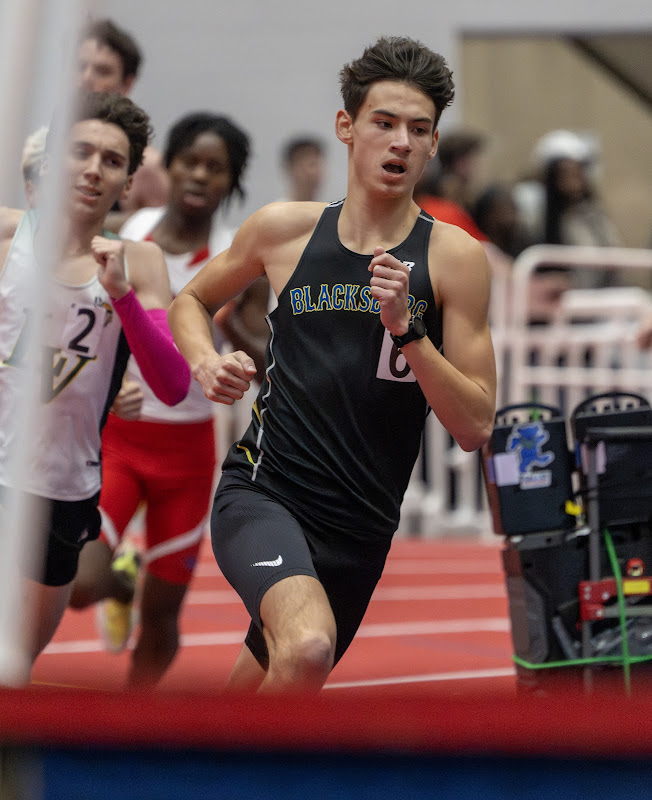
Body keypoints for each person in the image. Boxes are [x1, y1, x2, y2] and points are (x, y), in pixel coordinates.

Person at [168, 36, 496, 693]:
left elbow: (475, 426)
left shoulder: (455, 258)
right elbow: (191, 299)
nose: (400, 142)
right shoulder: (284, 230)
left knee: (273, 680)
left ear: (433, 146)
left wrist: (409, 333)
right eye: (384, 123)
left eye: (418, 129)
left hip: (361, 528)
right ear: (347, 128)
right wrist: (205, 362)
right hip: (266, 493)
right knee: (307, 644)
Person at [69, 111, 268, 687]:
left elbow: (264, 362)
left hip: (187, 453)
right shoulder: (131, 232)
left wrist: (226, 325)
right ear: (169, 166)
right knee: (82, 582)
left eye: (216, 168)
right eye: (191, 162)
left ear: (231, 183)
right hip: (120, 436)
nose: (200, 176)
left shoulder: (238, 258)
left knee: (161, 622)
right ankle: (121, 579)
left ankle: (135, 732)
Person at [0, 91, 190, 677]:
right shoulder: (8, 239)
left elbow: (173, 383)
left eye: (111, 160)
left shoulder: (139, 262)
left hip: (60, 490)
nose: (92, 169)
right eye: (80, 152)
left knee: (15, 665)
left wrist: (123, 298)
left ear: (128, 183)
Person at [77, 18, 169, 218]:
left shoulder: (147, 167)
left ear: (127, 84)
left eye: (102, 71)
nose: (86, 78)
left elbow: (166, 235)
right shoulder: (37, 144)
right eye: (79, 67)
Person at [280, 137, 326, 202]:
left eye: (318, 164)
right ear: (291, 168)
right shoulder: (278, 211)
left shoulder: (329, 210)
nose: (315, 172)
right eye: (311, 165)